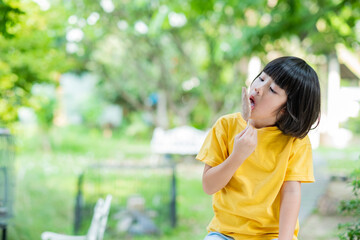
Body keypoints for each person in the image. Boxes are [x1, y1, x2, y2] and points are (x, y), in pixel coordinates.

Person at [196, 56, 321, 240]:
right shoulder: (225, 126)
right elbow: (209, 186)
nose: (259, 88)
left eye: (272, 90)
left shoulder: (296, 142)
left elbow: (291, 193)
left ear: (286, 109)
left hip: (271, 235)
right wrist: (238, 155)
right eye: (261, 78)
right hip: (225, 233)